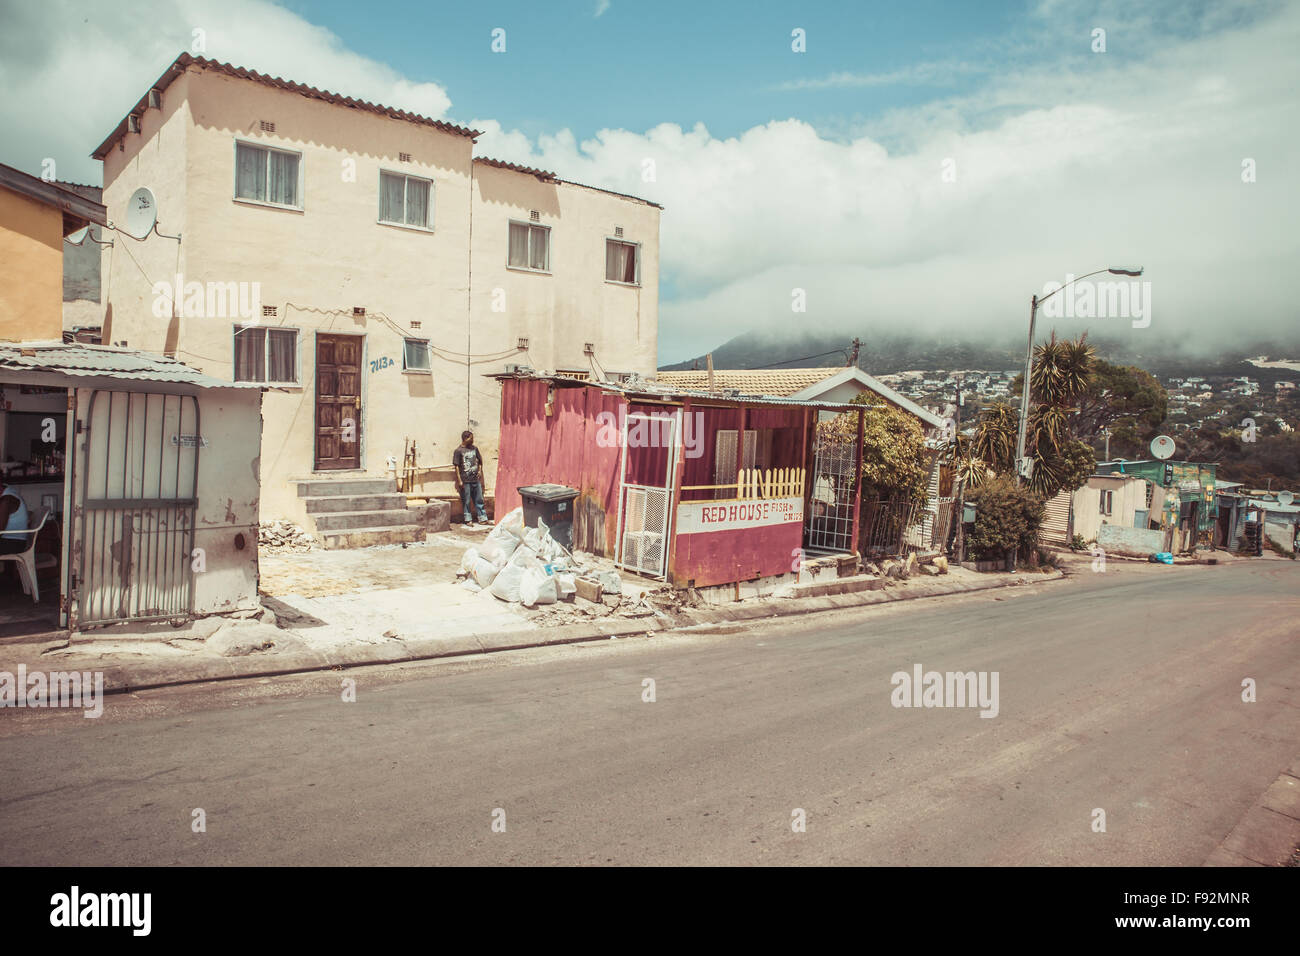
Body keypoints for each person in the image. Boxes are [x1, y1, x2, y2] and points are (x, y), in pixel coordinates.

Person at [453, 430, 489, 527]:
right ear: (465, 438)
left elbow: (480, 461)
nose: (473, 440)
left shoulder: (474, 449)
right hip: (465, 481)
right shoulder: (458, 451)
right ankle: (468, 519)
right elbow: (456, 467)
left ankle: (482, 518)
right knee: (467, 501)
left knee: (479, 499)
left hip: (475, 480)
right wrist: (460, 480)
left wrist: (480, 471)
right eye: (471, 438)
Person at [0, 485, 30, 556]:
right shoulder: (7, 491)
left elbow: (0, 530)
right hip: (8, 540)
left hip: (14, 543)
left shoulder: (6, 500)